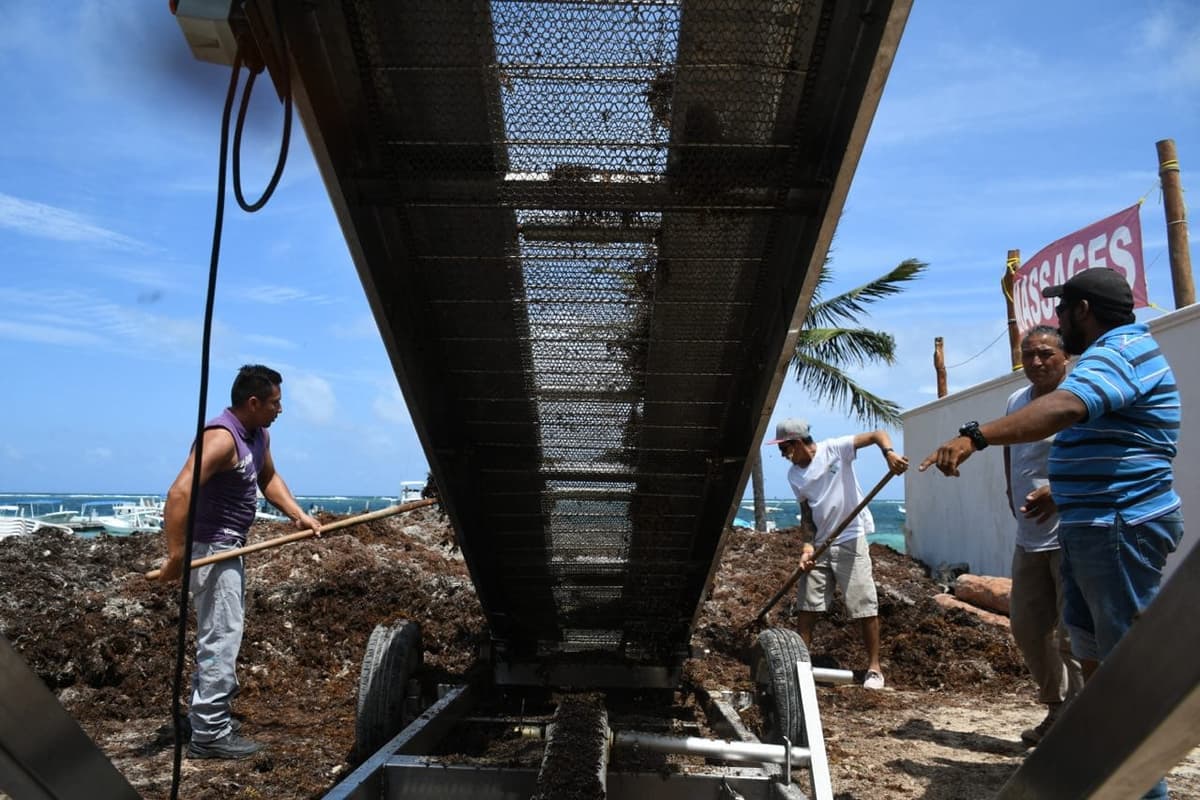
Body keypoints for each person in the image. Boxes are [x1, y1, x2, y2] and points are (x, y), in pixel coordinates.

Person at [920, 268, 1182, 799]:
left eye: (1063, 310)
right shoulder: (1106, 357)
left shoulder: (1120, 351)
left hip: (1119, 527)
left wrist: (976, 436)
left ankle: (1143, 791)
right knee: (1090, 651)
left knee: (1123, 663)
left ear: (1082, 310)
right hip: (1092, 528)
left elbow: (1064, 409)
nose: (1058, 322)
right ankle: (1103, 767)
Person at [157, 364, 321, 760]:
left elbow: (269, 478)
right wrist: (177, 556)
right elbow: (179, 493)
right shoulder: (221, 438)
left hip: (231, 546)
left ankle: (205, 717)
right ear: (253, 402)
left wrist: (296, 514)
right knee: (221, 638)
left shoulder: (257, 434)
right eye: (275, 403)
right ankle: (210, 735)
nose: (280, 410)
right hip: (212, 551)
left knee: (219, 633)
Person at [767, 418, 909, 690]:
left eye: (784, 449)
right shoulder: (794, 476)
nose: (783, 456)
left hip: (851, 538)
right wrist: (807, 547)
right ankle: (801, 666)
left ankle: (874, 669)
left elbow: (877, 434)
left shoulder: (835, 449)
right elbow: (807, 513)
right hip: (820, 544)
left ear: (797, 443)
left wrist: (889, 454)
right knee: (806, 607)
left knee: (863, 606)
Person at [1004, 326, 1084, 746]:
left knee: (1074, 634)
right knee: (1028, 626)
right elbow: (1010, 444)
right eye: (1028, 354)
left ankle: (1079, 723)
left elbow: (1094, 451)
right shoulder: (1017, 400)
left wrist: (1058, 490)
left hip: (1070, 533)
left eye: (1045, 354)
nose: (1036, 361)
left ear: (1064, 356)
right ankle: (1056, 707)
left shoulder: (1078, 396)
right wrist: (1008, 488)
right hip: (1029, 536)